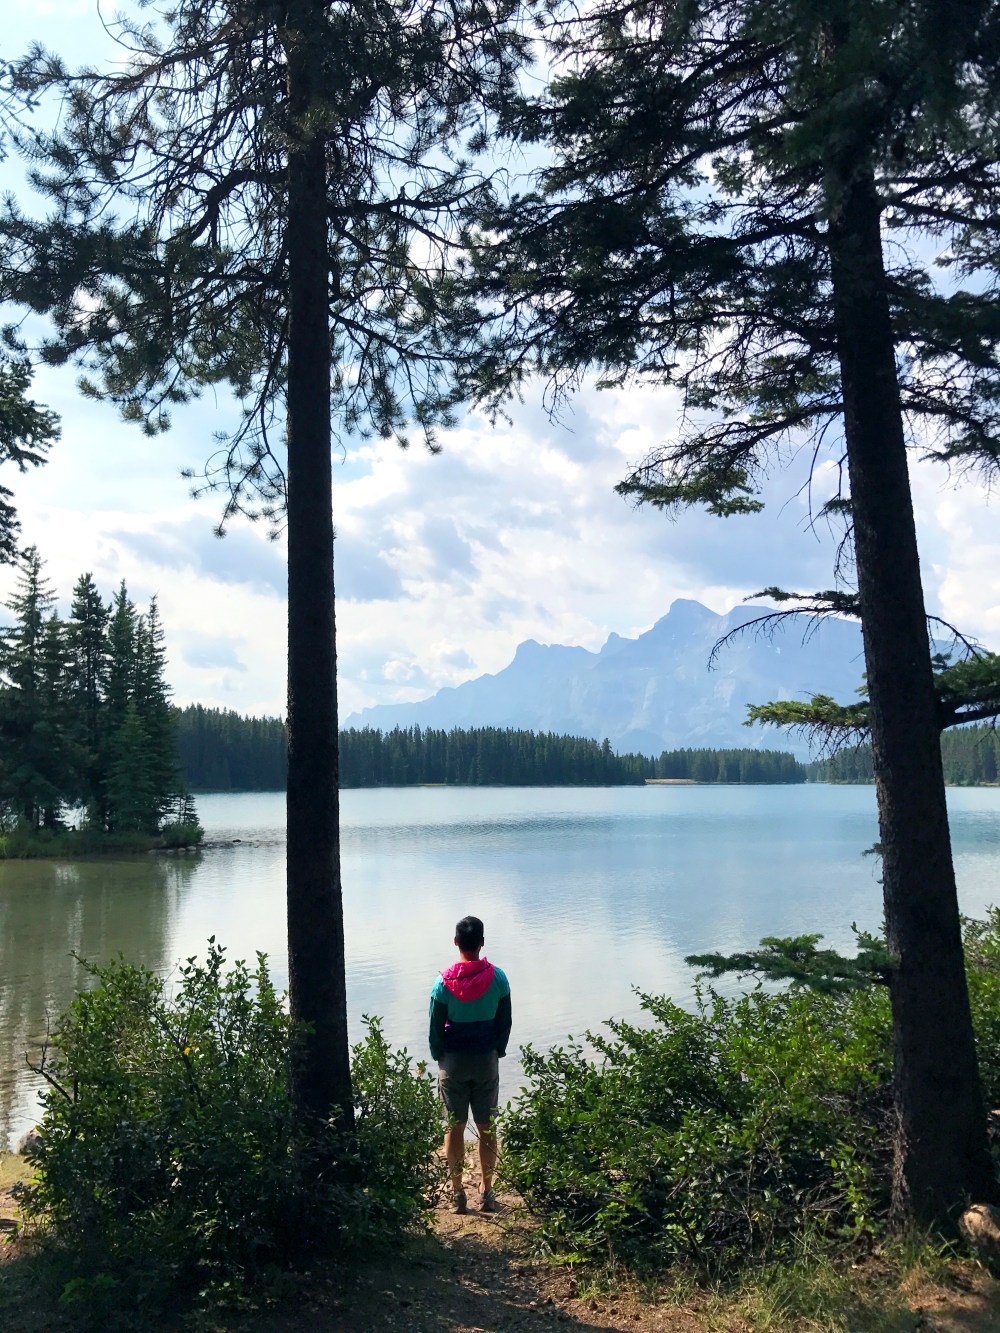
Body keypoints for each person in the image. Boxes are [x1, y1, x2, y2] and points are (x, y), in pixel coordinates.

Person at [429, 914, 511, 1214]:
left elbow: (435, 1029)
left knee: (454, 1126)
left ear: (456, 942)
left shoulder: (443, 983)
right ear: (482, 942)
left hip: (453, 1062)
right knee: (487, 1127)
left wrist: (439, 1055)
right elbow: (505, 1022)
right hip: (486, 1060)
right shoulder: (498, 978)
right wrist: (498, 1050)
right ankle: (487, 1191)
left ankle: (458, 1193)